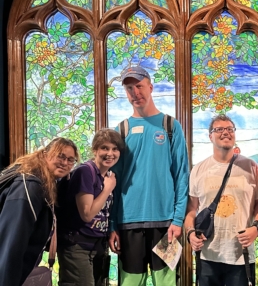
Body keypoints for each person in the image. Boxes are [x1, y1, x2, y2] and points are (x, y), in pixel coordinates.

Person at [109, 66, 189, 285]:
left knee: (167, 282)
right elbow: (112, 184)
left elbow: (182, 175)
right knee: (130, 283)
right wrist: (113, 225)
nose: (135, 92)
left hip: (165, 225)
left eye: (139, 86)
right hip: (128, 224)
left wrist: (178, 219)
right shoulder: (121, 130)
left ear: (150, 87)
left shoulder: (170, 126)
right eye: (129, 88)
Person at [184, 114, 258, 286]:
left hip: (241, 255)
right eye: (219, 129)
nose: (225, 133)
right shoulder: (198, 170)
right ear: (210, 136)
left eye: (230, 129)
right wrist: (190, 234)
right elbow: (191, 209)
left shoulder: (251, 168)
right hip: (207, 254)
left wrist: (256, 228)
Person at [0, 137, 79, 286]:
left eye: (70, 160)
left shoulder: (43, 182)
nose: (65, 163)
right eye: (60, 156)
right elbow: (11, 245)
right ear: (44, 154)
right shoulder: (29, 187)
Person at [57, 129, 125, 286]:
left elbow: (103, 212)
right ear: (95, 150)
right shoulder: (85, 171)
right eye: (104, 148)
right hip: (77, 246)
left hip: (97, 246)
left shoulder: (107, 176)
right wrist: (108, 189)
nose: (110, 153)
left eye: (115, 149)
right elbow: (87, 214)